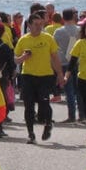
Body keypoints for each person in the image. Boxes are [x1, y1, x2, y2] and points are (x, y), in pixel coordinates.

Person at [14, 12, 64, 144]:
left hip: (45, 76)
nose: (38, 27)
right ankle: (31, 134)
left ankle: (48, 124)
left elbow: (54, 57)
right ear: (29, 25)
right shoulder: (23, 40)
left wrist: (60, 74)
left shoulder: (48, 38)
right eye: (35, 24)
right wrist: (23, 58)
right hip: (28, 76)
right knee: (28, 106)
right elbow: (16, 59)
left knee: (44, 103)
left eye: (40, 24)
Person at [53, 8, 80, 124]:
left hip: (64, 61)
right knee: (79, 90)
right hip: (78, 61)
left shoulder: (58, 32)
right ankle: (82, 115)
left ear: (63, 18)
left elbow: (55, 48)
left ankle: (71, 115)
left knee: (69, 90)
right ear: (73, 17)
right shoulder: (80, 30)